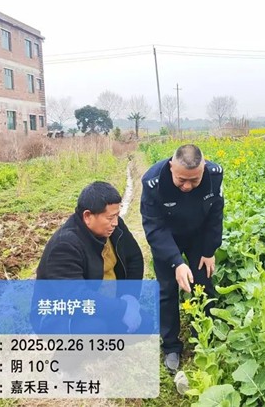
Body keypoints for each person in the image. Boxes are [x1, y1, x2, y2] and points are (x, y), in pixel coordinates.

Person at [140, 144, 224, 373]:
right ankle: (171, 347)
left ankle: (202, 339)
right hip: (168, 240)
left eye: (194, 181)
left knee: (203, 284)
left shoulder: (214, 175)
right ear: (171, 167)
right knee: (167, 291)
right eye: (181, 180)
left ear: (203, 168)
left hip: (198, 238)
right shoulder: (153, 182)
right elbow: (154, 228)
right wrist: (176, 262)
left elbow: (216, 213)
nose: (187, 186)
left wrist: (209, 251)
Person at [35, 181, 144, 333]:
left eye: (117, 215)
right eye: (110, 218)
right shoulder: (65, 245)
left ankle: (102, 347)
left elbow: (134, 259)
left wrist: (129, 298)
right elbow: (75, 297)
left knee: (145, 322)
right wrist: (121, 309)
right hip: (61, 315)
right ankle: (66, 355)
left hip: (103, 305)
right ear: (87, 216)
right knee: (94, 329)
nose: (115, 223)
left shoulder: (115, 228)